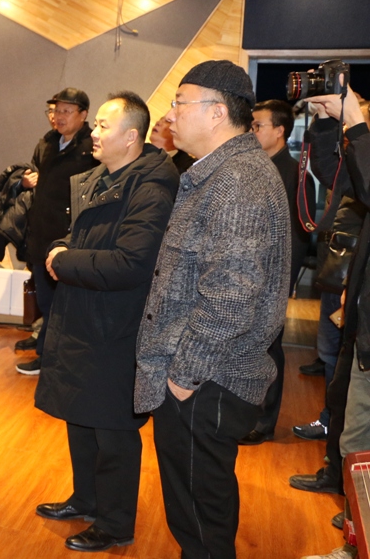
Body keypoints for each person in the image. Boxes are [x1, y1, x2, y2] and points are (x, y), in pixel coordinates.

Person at [135, 60, 290, 559]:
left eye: (180, 103)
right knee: (197, 510)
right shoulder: (220, 172)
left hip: (206, 381)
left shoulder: (237, 179)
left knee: (201, 519)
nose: (170, 114)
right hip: (205, 377)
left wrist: (184, 376)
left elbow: (231, 294)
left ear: (217, 112)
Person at [34, 92, 178, 552]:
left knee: (113, 430)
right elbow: (78, 236)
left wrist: (65, 260)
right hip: (83, 315)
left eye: (102, 125)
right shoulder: (99, 178)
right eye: (94, 124)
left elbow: (132, 262)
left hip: (118, 326)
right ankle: (86, 499)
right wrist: (60, 248)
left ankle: (115, 524)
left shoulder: (151, 186)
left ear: (131, 137)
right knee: (80, 416)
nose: (93, 133)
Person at [298, 84, 370, 559]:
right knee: (355, 440)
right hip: (364, 325)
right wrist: (330, 123)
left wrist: (357, 124)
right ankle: (356, 542)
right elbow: (341, 178)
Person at [239, 99, 316, 445]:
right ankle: (241, 412)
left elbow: (299, 239)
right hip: (242, 274)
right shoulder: (249, 168)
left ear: (280, 130)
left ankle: (264, 422)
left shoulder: (296, 175)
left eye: (258, 125)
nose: (252, 131)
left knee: (269, 348)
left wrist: (280, 284)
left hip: (271, 279)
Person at [16, 88, 98, 375]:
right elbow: (36, 177)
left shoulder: (92, 148)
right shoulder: (48, 142)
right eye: (55, 110)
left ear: (83, 115)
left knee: (65, 307)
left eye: (66, 111)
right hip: (41, 237)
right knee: (47, 303)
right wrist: (26, 182)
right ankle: (47, 357)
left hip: (70, 241)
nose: (59, 117)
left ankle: (54, 361)